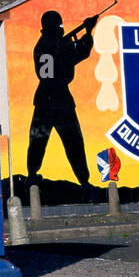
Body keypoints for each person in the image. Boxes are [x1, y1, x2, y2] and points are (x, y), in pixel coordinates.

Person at [27, 10, 97, 190]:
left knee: (38, 141)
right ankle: (84, 181)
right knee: (73, 142)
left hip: (43, 99)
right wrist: (88, 33)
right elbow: (80, 53)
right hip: (60, 99)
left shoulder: (41, 46)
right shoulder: (60, 45)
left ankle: (32, 176)